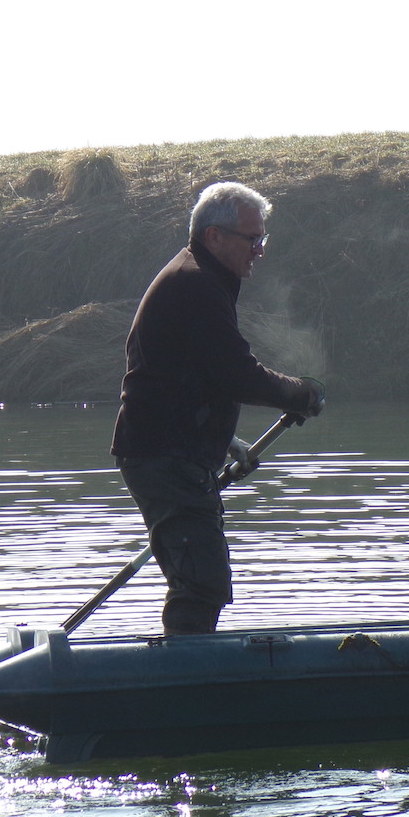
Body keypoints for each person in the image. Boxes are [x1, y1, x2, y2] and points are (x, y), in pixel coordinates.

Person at [111, 181, 324, 635]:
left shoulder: (199, 278)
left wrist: (225, 439)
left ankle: (187, 662)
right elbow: (238, 376)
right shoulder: (196, 285)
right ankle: (185, 671)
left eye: (263, 239)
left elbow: (187, 375)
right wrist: (300, 394)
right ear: (214, 236)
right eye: (252, 239)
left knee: (200, 579)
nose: (259, 250)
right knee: (201, 583)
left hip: (172, 452)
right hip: (164, 458)